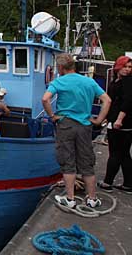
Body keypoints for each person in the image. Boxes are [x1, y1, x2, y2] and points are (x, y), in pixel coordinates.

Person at [42, 53, 111, 209]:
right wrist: (99, 120)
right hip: (85, 126)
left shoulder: (59, 81)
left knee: (68, 161)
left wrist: (52, 116)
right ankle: (92, 199)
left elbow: (45, 99)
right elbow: (107, 100)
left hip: (66, 124)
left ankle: (70, 198)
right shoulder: (89, 81)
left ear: (60, 67)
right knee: (87, 162)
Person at [98, 55, 132, 193]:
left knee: (115, 152)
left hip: (123, 122)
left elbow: (128, 102)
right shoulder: (117, 81)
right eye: (125, 66)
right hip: (117, 120)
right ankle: (129, 184)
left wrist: (119, 119)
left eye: (130, 67)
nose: (127, 70)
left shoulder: (128, 82)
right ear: (118, 66)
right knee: (124, 154)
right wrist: (107, 117)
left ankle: (107, 182)